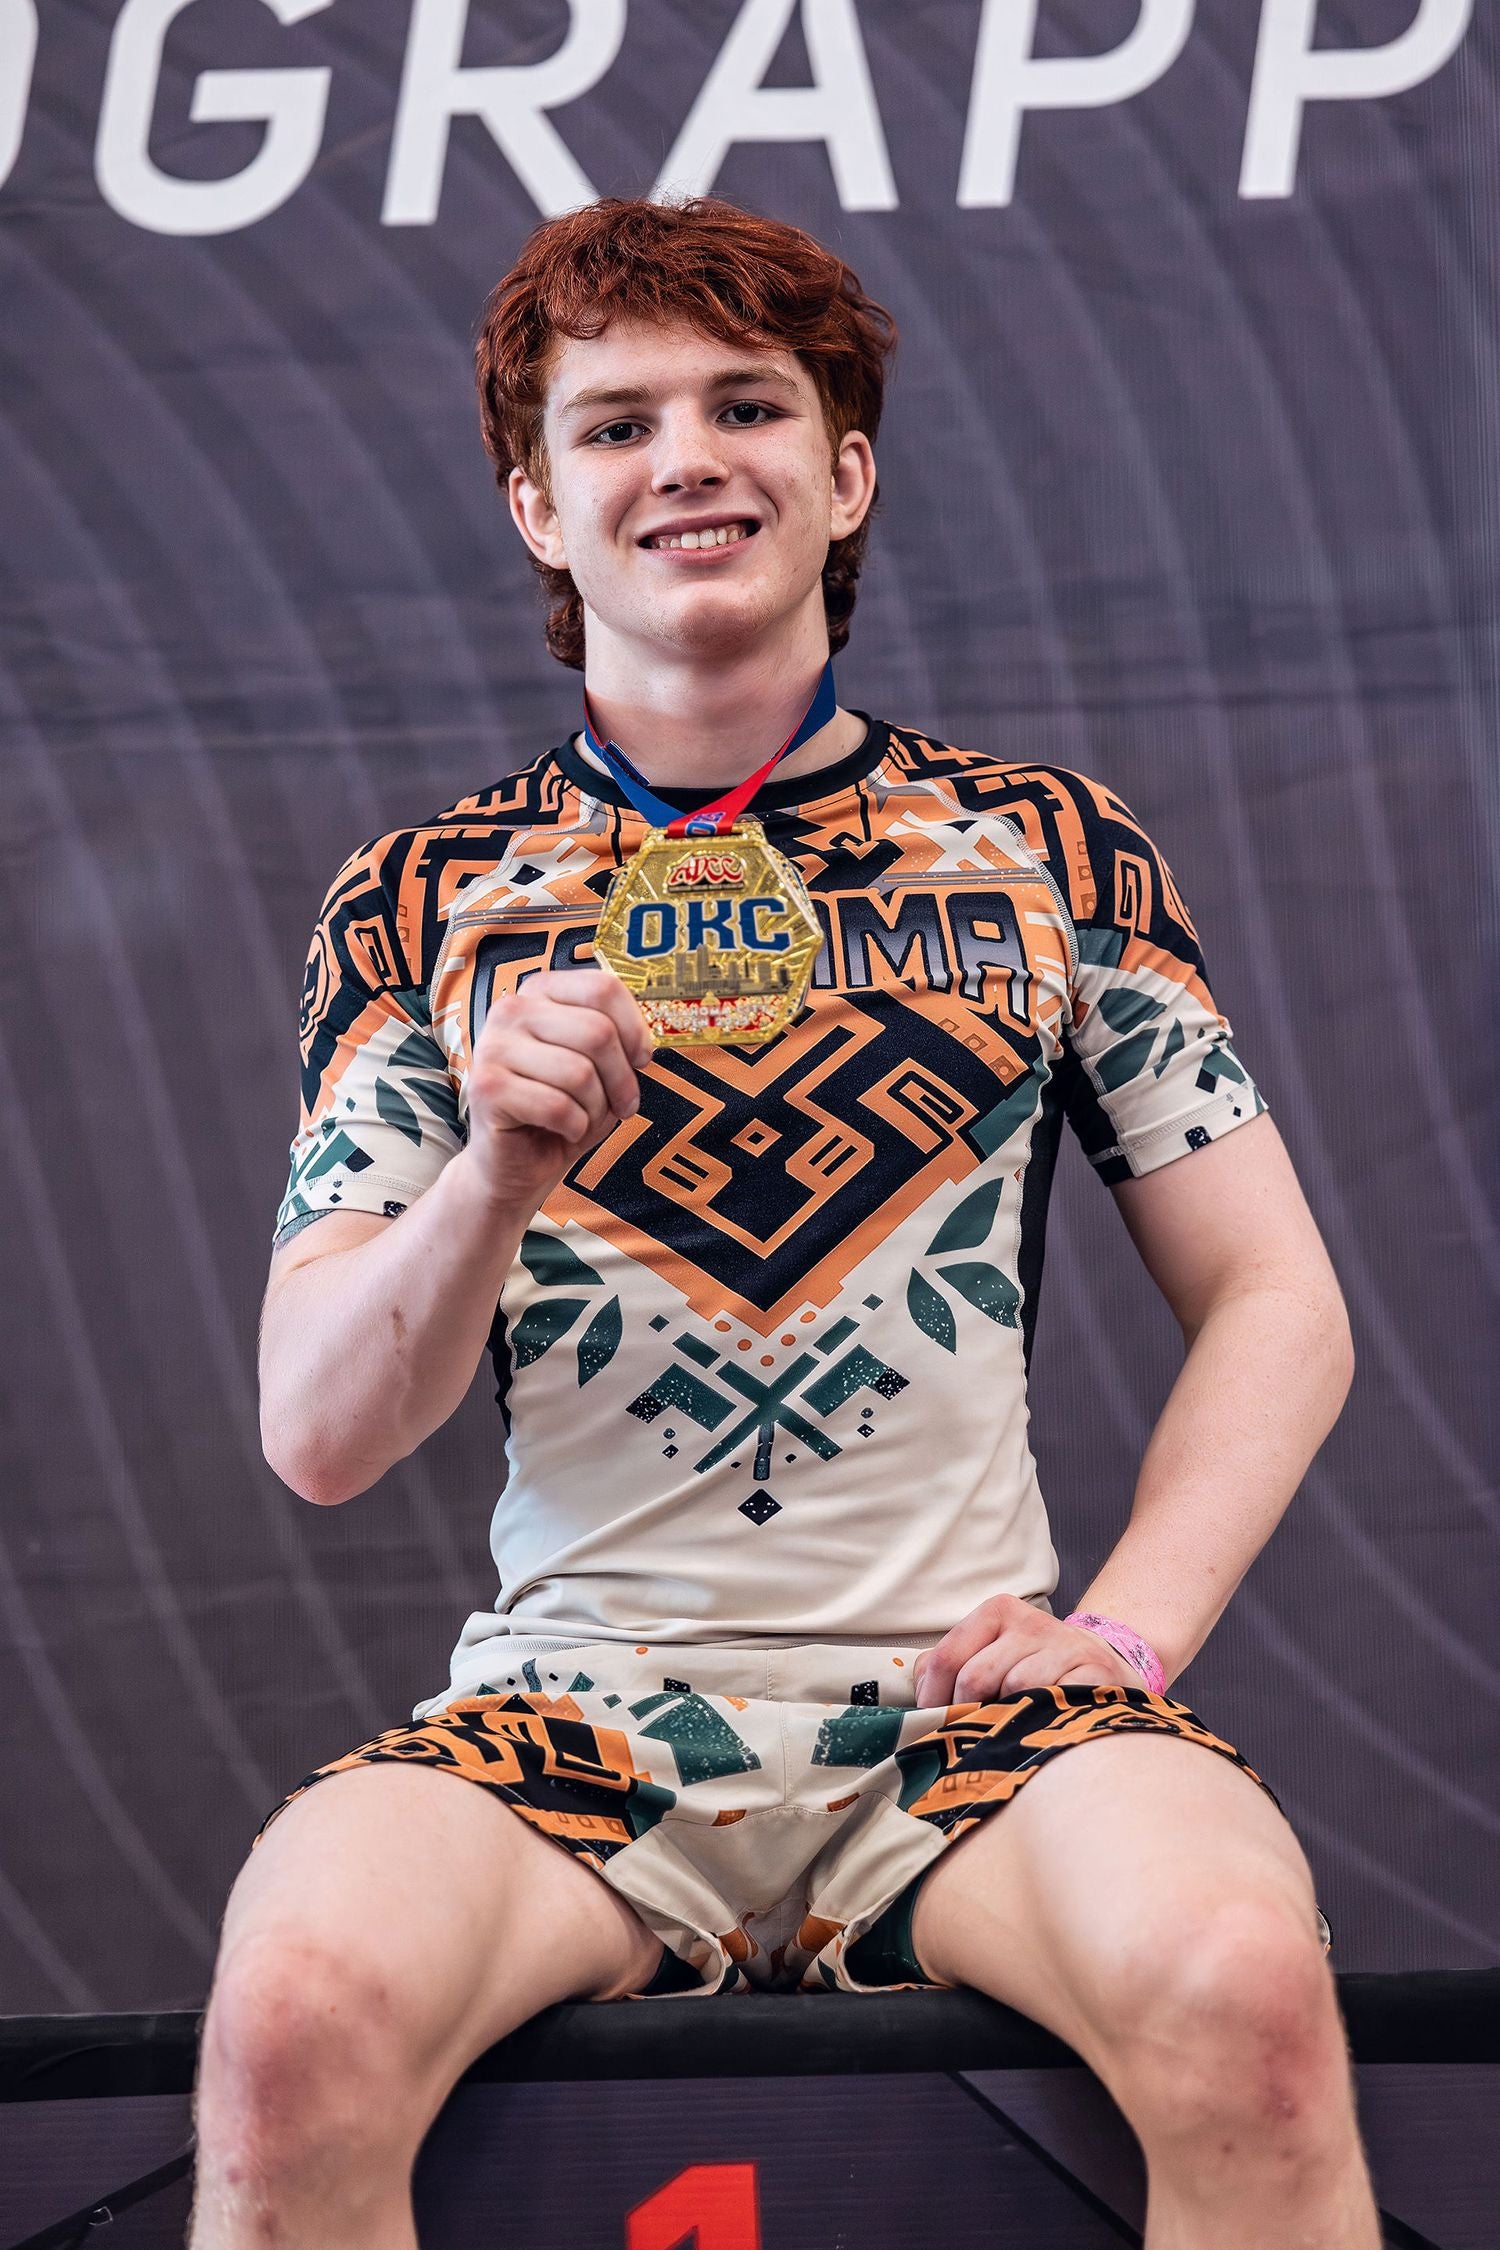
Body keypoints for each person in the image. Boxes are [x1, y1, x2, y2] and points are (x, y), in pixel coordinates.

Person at [190, 197, 1378, 2248]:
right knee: (293, 2014)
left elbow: (1282, 1298)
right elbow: (314, 1429)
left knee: (1247, 1994)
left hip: (962, 1724)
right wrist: (491, 1172)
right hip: (572, 1717)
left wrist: (1116, 1640)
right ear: (539, 511)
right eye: (617, 425)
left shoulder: (1046, 855)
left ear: (846, 474)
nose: (687, 460)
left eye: (749, 406)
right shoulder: (420, 903)